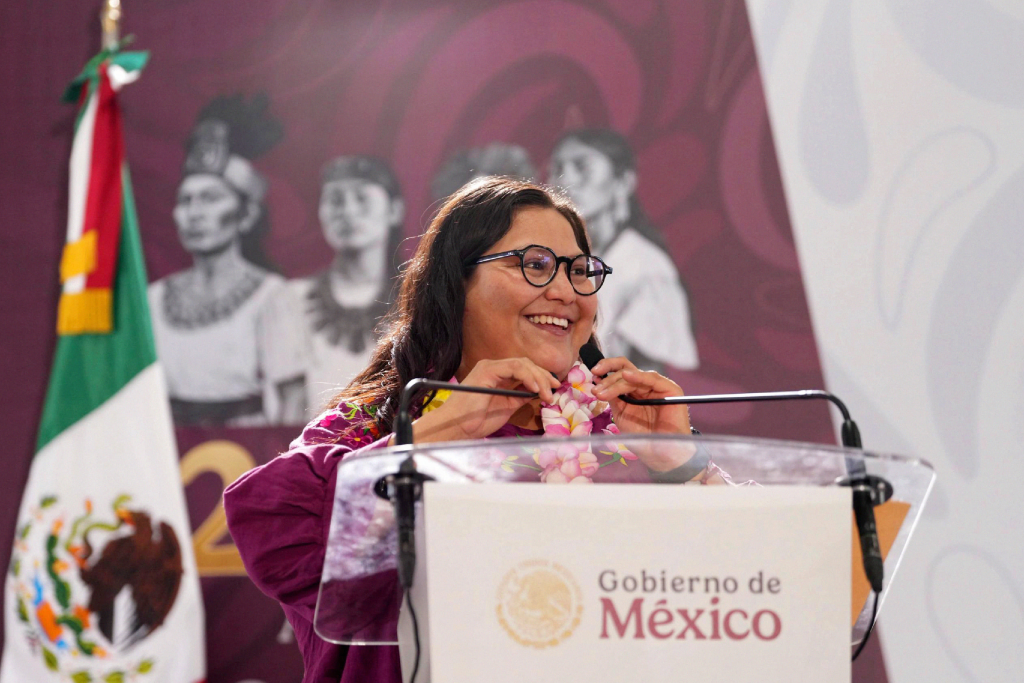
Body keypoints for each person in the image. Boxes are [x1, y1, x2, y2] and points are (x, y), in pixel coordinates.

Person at [224, 177, 728, 683]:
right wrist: (440, 431)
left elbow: (745, 590)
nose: (564, 292)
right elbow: (277, 536)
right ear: (456, 284)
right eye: (534, 264)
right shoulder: (376, 424)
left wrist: (681, 463)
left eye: (579, 271)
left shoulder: (623, 431)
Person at [148, 95, 306, 426]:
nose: (194, 214)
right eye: (185, 201)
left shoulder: (272, 295)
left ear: (246, 215)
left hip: (244, 446)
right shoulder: (155, 298)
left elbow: (293, 401)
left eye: (210, 199)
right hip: (170, 445)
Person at [549, 128, 700, 372]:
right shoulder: (547, 257)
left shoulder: (646, 267)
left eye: (582, 167)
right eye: (557, 168)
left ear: (623, 182)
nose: (564, 181)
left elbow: (651, 375)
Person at [289, 156, 404, 412]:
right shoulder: (292, 298)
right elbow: (290, 404)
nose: (348, 212)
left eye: (362, 199)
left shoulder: (418, 297)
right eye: (335, 200)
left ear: (394, 210)